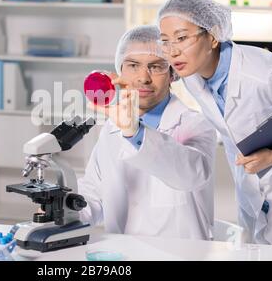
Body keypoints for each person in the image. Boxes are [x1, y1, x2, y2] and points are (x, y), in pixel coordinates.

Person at [157, 0, 272, 244]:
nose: (172, 52)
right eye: (165, 41)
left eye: (182, 38)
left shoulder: (269, 76)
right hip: (252, 198)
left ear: (214, 35)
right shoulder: (193, 73)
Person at [78, 25, 216, 240]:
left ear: (172, 74)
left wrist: (135, 133)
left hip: (179, 254)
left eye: (156, 66)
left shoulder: (195, 124)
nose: (143, 78)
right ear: (120, 70)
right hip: (122, 254)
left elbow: (192, 175)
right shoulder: (112, 128)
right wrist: (61, 215)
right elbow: (93, 195)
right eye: (133, 65)